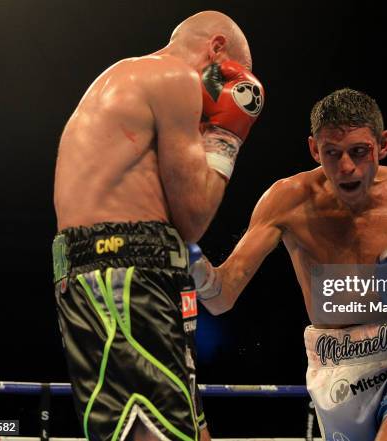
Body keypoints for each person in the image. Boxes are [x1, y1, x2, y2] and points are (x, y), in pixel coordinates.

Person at [190, 88, 387, 440]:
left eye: (359, 151)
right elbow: (221, 296)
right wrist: (194, 263)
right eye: (332, 153)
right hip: (337, 367)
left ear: (383, 144)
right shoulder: (287, 201)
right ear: (313, 149)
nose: (346, 167)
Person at [52, 11, 264, 441]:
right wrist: (227, 137)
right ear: (217, 49)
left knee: (181, 430)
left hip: (109, 274)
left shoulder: (126, 77)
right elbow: (194, 217)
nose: (236, 88)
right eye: (237, 76)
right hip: (129, 277)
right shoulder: (174, 78)